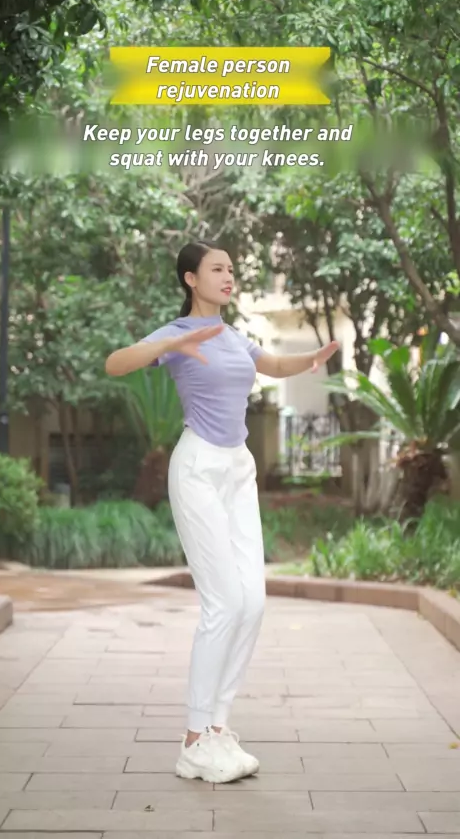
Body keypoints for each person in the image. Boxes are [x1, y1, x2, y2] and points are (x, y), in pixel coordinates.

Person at [105, 240, 339, 784]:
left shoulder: (233, 337)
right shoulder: (177, 332)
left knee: (252, 602)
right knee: (224, 602)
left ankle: (217, 727)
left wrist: (310, 360)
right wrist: (172, 345)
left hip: (238, 469)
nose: (228, 276)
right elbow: (116, 364)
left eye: (231, 268)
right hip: (198, 468)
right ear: (191, 278)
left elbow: (272, 364)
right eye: (217, 268)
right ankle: (192, 741)